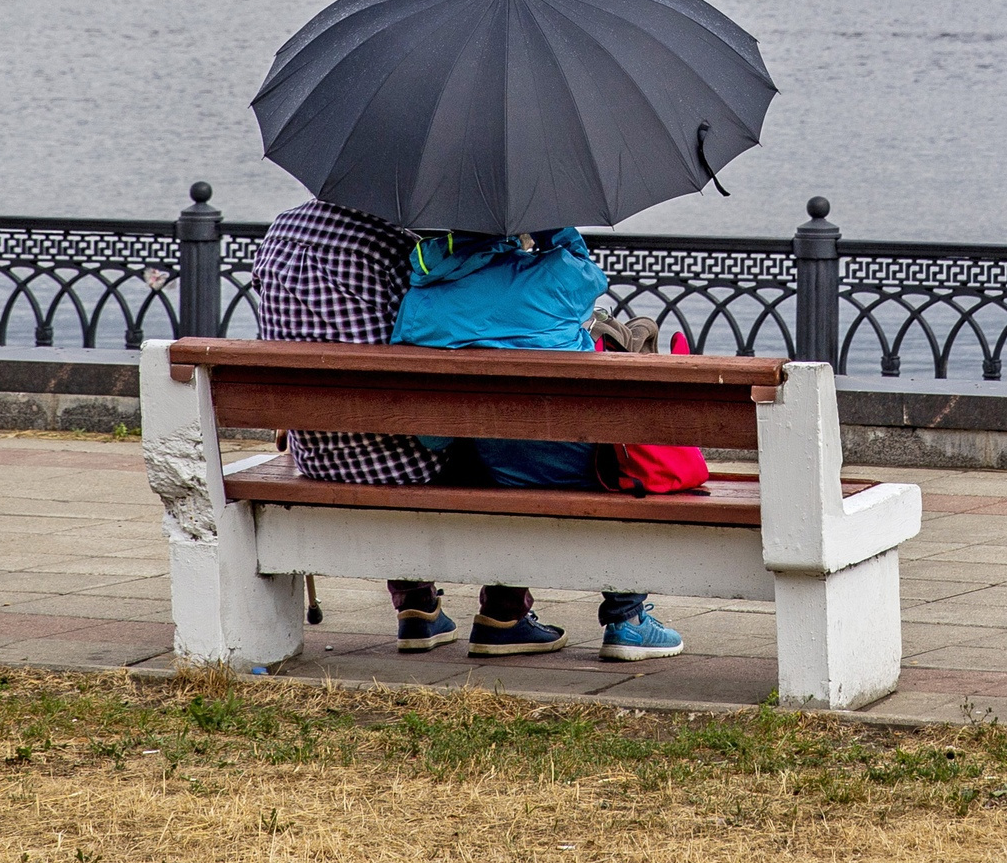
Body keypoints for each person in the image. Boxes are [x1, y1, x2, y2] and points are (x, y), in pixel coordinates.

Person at [250, 199, 563, 657]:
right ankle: (504, 612)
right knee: (504, 442)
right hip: (400, 460)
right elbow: (451, 329)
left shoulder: (280, 230)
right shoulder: (396, 248)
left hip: (315, 450)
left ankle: (417, 607)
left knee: (392, 418)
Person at [392, 227, 686, 662]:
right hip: (574, 464)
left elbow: (431, 435)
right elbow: (587, 273)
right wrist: (556, 228)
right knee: (619, 471)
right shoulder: (555, 276)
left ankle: (502, 616)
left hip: (484, 467)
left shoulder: (421, 296)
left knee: (497, 451)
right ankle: (627, 620)